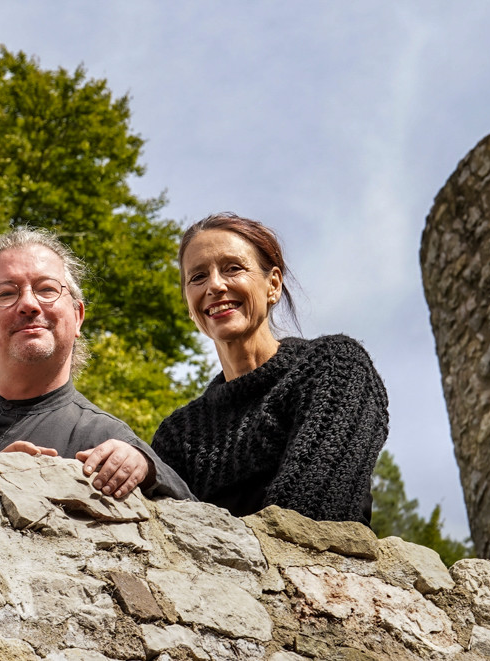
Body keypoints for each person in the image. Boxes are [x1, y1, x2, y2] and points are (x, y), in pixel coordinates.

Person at [0, 228, 191, 501]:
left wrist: (147, 467)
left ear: (77, 316)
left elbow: (200, 522)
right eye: (6, 293)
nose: (29, 304)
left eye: (47, 289)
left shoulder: (106, 440)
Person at [151, 213, 387, 524]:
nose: (215, 285)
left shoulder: (334, 367)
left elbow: (311, 518)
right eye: (197, 277)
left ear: (272, 285)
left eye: (233, 268)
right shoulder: (177, 434)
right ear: (189, 305)